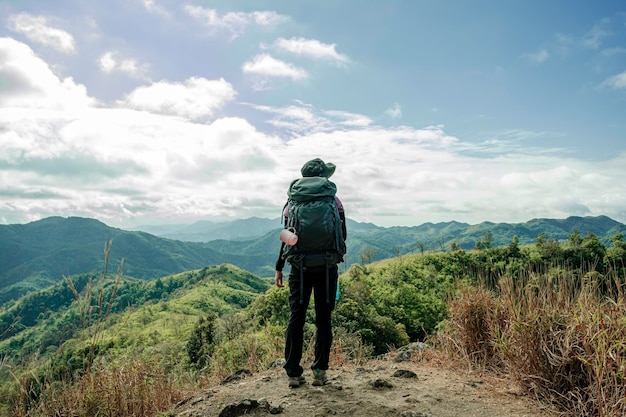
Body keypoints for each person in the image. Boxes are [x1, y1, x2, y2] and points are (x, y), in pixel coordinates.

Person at [275, 158, 347, 388]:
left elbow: (287, 236)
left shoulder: (291, 202)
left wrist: (279, 266)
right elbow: (341, 235)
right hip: (327, 267)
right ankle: (319, 371)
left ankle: (294, 373)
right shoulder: (334, 201)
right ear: (323, 177)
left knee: (297, 316)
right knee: (323, 317)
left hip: (299, 268)